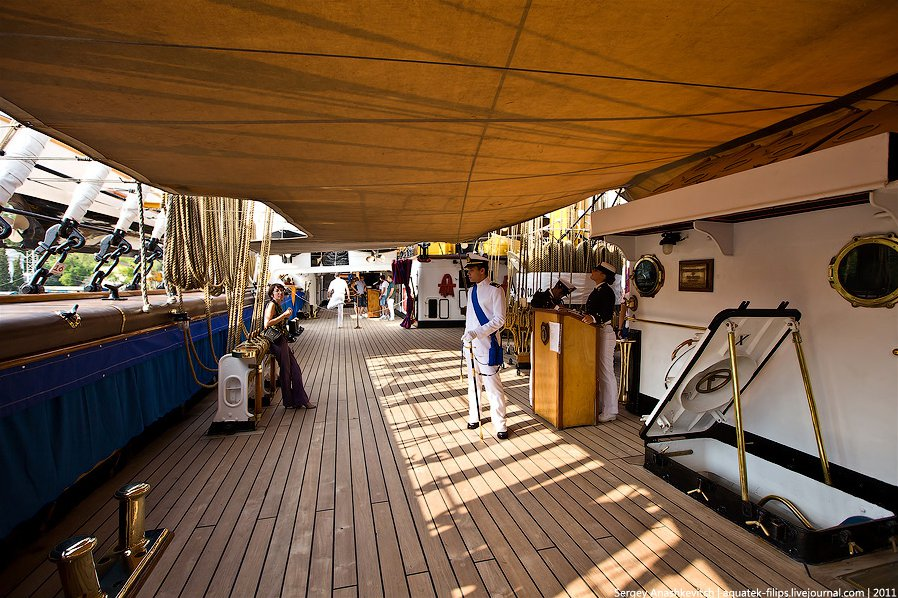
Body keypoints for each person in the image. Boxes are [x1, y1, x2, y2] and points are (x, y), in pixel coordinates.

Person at [460, 253, 509, 439]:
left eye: (471, 270)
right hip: (471, 346)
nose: (469, 274)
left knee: (493, 386)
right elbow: (470, 319)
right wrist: (467, 336)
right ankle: (475, 416)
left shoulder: (496, 290)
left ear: (482, 270)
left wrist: (477, 333)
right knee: (474, 384)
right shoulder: (471, 291)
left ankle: (500, 424)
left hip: (488, 345)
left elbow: (500, 319)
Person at [264, 283, 315, 409]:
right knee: (286, 371)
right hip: (276, 342)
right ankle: (293, 401)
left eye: (281, 291)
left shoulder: (278, 305)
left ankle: (298, 400)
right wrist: (284, 316)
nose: (280, 293)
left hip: (282, 340)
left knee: (294, 369)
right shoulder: (271, 305)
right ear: (272, 294)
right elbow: (267, 324)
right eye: (277, 291)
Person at [582, 262, 618, 423]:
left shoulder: (607, 292)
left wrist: (594, 318)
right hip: (597, 332)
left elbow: (605, 313)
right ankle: (604, 406)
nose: (592, 271)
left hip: (605, 332)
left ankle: (611, 411)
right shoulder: (598, 290)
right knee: (601, 372)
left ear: (603, 275)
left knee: (606, 372)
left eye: (596, 270)